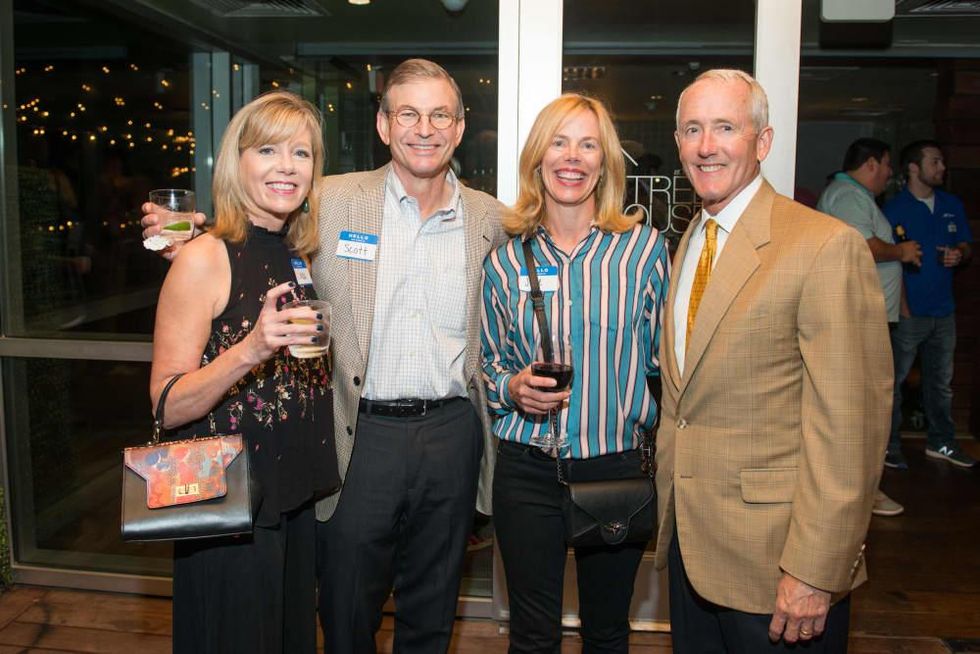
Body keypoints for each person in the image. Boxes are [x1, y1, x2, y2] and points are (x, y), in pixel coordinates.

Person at [145, 59, 506, 653]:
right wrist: (192, 238)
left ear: (461, 127)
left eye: (440, 114)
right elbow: (254, 222)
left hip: (450, 432)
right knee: (343, 609)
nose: (425, 128)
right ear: (384, 126)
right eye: (408, 113)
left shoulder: (490, 218)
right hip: (357, 435)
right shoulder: (331, 200)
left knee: (432, 605)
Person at [655, 69, 892, 651]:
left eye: (725, 127)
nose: (706, 145)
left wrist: (815, 570)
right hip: (693, 549)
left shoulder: (824, 246)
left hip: (780, 568)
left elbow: (851, 428)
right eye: (692, 129)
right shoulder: (691, 238)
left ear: (762, 142)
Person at [149, 91, 339, 653]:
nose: (286, 166)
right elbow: (165, 402)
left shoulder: (295, 253)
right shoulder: (204, 256)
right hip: (229, 505)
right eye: (268, 150)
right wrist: (251, 349)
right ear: (238, 162)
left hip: (290, 495)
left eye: (301, 153)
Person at [481, 93, 670, 652]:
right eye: (559, 142)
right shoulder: (506, 260)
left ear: (605, 162)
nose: (572, 157)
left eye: (588, 144)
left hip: (613, 465)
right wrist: (510, 387)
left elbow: (666, 361)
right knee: (533, 634)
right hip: (527, 470)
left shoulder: (643, 252)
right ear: (538, 158)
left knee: (608, 632)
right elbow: (489, 361)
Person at [816, 137, 917, 515]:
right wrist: (901, 251)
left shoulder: (855, 196)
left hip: (872, 317)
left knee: (871, 406)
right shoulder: (847, 196)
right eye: (888, 165)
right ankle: (862, 493)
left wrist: (901, 305)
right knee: (863, 409)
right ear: (872, 164)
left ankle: (864, 489)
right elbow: (860, 245)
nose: (891, 173)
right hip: (858, 318)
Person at [883, 140, 975, 469]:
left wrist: (959, 254)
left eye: (942, 162)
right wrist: (903, 308)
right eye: (935, 162)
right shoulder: (893, 209)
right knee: (893, 383)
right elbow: (886, 263)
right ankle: (889, 448)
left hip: (944, 311)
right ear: (913, 168)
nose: (942, 168)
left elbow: (965, 244)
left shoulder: (952, 204)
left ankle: (942, 443)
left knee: (940, 384)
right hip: (909, 314)